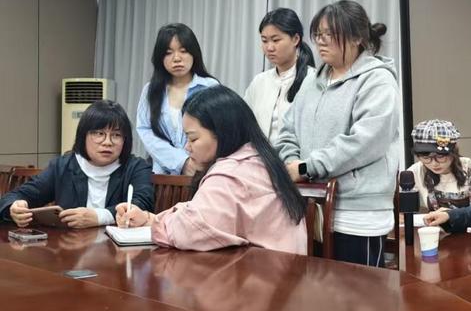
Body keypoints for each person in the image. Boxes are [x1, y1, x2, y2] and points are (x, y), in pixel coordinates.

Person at [274, 0, 400, 267]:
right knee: (314, 289)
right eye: (318, 34)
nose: (321, 41)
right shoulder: (312, 80)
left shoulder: (377, 80)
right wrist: (291, 163)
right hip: (310, 206)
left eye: (330, 34)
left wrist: (306, 167)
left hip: (357, 214)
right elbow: (287, 130)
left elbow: (365, 141)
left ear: (357, 38)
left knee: (360, 291)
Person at [118, 86, 307, 254]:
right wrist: (150, 219)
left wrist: (155, 223)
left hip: (262, 275)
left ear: (222, 132)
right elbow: (198, 212)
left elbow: (189, 230)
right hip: (281, 272)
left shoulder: (231, 173)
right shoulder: (257, 159)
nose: (187, 147)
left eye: (193, 139)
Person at [1, 100, 153, 228]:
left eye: (116, 135)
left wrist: (99, 217)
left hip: (118, 250)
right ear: (83, 135)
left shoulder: (136, 167)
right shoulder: (62, 166)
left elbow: (141, 205)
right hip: (68, 247)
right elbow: (15, 196)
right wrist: (14, 207)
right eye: (99, 133)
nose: (107, 142)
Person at [137, 23, 218, 175]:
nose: (177, 58)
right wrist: (181, 161)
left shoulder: (210, 87)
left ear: (194, 53)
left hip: (202, 172)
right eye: (168, 53)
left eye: (183, 51)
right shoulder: (151, 90)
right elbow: (145, 131)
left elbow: (217, 132)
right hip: (162, 174)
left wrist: (194, 162)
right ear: (160, 58)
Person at [244, 8, 316, 143]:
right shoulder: (259, 81)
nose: (269, 48)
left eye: (276, 40)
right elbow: (244, 122)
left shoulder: (314, 80)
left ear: (295, 39)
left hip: (296, 155)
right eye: (264, 41)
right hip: (259, 154)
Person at [406, 119, 471, 212]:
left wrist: (452, 215)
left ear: (454, 151)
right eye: (426, 157)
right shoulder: (417, 171)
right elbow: (401, 207)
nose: (434, 164)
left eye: (440, 156)